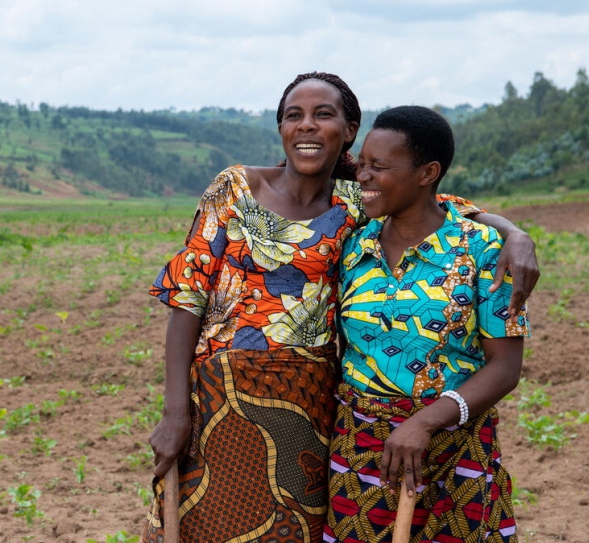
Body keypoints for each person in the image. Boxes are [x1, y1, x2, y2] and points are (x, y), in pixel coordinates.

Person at [142, 73, 536, 543]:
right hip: (220, 399)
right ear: (281, 128)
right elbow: (187, 297)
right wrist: (174, 411)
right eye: (294, 115)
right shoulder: (236, 189)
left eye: (323, 114)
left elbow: (442, 205)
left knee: (294, 530)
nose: (306, 126)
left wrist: (514, 234)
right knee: (206, 522)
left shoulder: (359, 203)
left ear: (348, 131)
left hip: (310, 407)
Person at [325, 106, 528, 543]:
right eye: (362, 164)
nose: (363, 176)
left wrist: (424, 423)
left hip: (456, 450)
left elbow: (505, 367)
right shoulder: (353, 244)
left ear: (427, 173)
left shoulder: (484, 250)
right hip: (362, 454)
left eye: (379, 167)